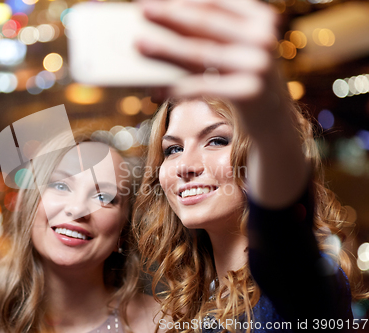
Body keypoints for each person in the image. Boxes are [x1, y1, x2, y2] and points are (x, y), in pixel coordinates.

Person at [133, 0, 366, 332]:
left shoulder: (288, 289)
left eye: (217, 140)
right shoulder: (195, 300)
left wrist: (270, 132)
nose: (185, 165)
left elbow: (294, 272)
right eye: (172, 149)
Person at [0, 130, 162, 333]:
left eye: (103, 197)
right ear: (30, 205)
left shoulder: (170, 325)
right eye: (60, 185)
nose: (78, 209)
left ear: (123, 232)